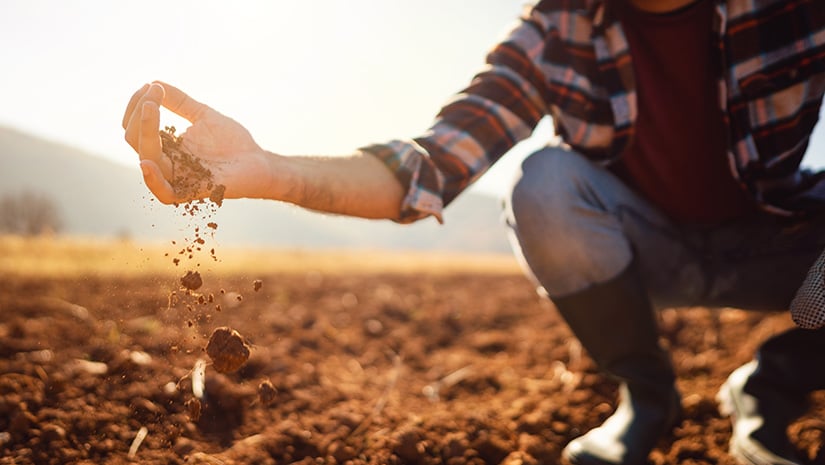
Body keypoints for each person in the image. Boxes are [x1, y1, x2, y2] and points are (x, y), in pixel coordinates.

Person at [123, 0, 825, 463]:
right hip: (642, 255)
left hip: (781, 250)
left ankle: (775, 381)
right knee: (545, 185)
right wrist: (271, 169)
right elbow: (430, 165)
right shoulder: (556, 27)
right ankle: (646, 395)